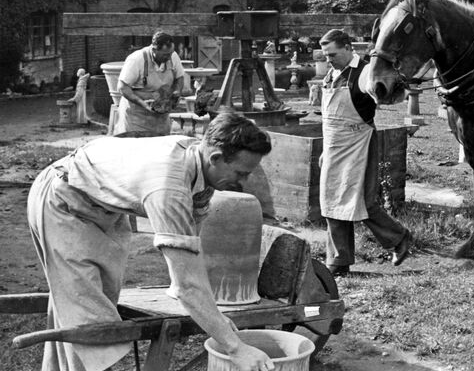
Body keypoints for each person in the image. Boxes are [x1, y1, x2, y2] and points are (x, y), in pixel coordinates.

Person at [27, 112, 275, 371]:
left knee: (88, 305)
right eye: (241, 173)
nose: (244, 182)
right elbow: (187, 286)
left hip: (104, 207)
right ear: (215, 158)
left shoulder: (199, 162)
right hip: (64, 201)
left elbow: (192, 250)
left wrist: (214, 318)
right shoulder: (168, 186)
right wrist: (235, 348)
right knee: (88, 318)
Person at [318, 29, 411, 277]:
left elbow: (388, 92)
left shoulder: (365, 72)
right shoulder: (331, 74)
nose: (329, 59)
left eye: (333, 54)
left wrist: (390, 82)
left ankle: (399, 238)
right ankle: (339, 261)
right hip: (334, 146)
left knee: (364, 201)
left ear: (349, 48)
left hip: (359, 144)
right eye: (326, 55)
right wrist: (326, 150)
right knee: (331, 203)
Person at [114, 31, 186, 136]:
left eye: (171, 53)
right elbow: (122, 87)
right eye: (165, 55)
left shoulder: (172, 56)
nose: (170, 58)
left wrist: (177, 91)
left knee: (161, 146)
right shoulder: (136, 59)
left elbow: (180, 77)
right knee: (137, 148)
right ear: (153, 50)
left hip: (161, 116)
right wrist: (143, 103)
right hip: (136, 117)